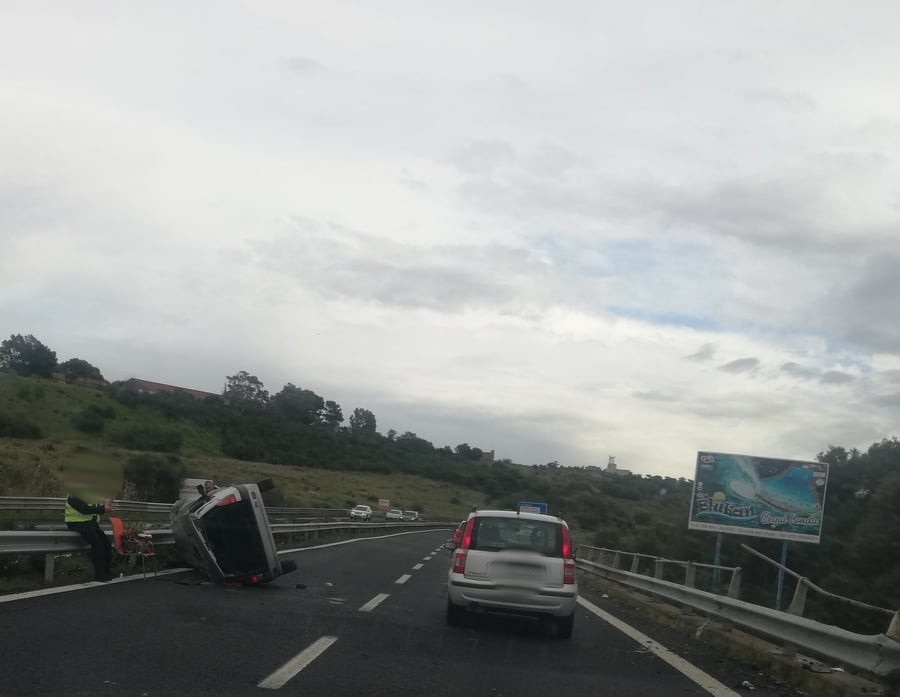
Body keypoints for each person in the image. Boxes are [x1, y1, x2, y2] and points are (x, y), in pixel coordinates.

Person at [65, 488, 114, 582]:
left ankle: (106, 571)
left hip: (89, 523)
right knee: (97, 543)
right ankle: (99, 574)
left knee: (106, 543)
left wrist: (104, 507)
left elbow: (94, 508)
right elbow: (84, 509)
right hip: (76, 523)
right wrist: (103, 508)